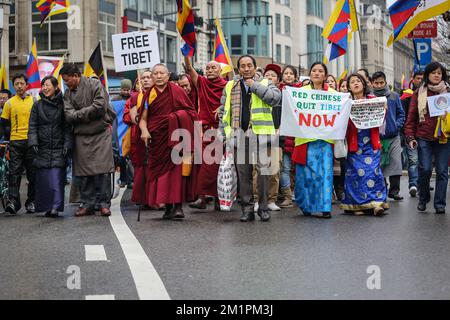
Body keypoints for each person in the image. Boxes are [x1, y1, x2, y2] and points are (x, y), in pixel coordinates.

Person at [219, 55, 281, 222]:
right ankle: (247, 210)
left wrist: (254, 86)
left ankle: (263, 208)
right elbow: (223, 112)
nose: (246, 69)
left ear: (255, 67)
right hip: (239, 135)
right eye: (242, 66)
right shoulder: (230, 85)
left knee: (263, 173)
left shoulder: (266, 83)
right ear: (239, 69)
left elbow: (274, 99)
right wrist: (224, 135)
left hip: (261, 135)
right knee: (244, 175)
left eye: (249, 65)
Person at [139, 63, 199, 220]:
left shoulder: (177, 91)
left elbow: (191, 113)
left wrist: (175, 118)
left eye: (161, 73)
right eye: (155, 73)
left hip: (176, 137)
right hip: (157, 138)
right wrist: (144, 131)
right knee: (160, 174)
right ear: (152, 76)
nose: (158, 76)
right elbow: (143, 119)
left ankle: (178, 206)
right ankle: (167, 206)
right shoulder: (148, 95)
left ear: (168, 76)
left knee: (177, 173)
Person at [61, 63, 116, 217]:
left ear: (76, 76)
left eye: (67, 80)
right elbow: (68, 115)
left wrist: (79, 114)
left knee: (104, 171)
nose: (66, 83)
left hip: (100, 133)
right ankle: (87, 203)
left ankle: (104, 204)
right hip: (81, 135)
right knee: (84, 173)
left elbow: (100, 106)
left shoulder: (95, 84)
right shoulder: (67, 94)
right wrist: (86, 114)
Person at [405, 62, 450, 214]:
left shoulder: (448, 91)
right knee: (425, 169)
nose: (437, 75)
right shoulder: (419, 92)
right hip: (423, 136)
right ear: (428, 75)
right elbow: (411, 117)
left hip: (444, 137)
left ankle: (440, 204)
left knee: (443, 171)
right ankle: (423, 198)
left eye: (439, 73)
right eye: (433, 73)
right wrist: (410, 136)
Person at [340, 73, 388, 216]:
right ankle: (356, 205)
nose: (355, 83)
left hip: (371, 143)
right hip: (354, 143)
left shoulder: (374, 100)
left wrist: (384, 110)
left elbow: (381, 119)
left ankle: (376, 203)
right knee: (355, 174)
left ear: (364, 84)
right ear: (348, 87)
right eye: (352, 82)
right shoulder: (346, 102)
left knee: (373, 172)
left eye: (358, 81)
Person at [183, 57, 228, 211]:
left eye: (213, 68)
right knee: (202, 164)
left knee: (216, 166)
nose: (210, 71)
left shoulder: (227, 86)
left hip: (219, 130)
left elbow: (232, 103)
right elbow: (190, 69)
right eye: (208, 68)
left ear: (221, 71)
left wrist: (222, 109)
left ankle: (218, 198)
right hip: (202, 129)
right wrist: (187, 55)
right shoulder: (202, 82)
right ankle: (202, 197)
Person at [292, 62, 334, 219]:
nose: (317, 73)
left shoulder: (332, 93)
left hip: (325, 140)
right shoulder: (300, 92)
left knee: (325, 174)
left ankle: (325, 207)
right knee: (306, 175)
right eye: (314, 70)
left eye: (320, 71)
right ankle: (307, 205)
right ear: (310, 74)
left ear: (325, 75)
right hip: (305, 139)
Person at [28, 76, 72, 218]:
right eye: (43, 85)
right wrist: (33, 142)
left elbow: (67, 127)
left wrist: (67, 144)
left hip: (58, 146)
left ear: (55, 86)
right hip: (42, 146)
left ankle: (55, 207)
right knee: (44, 180)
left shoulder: (63, 104)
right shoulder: (37, 105)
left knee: (56, 178)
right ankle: (46, 206)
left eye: (48, 85)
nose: (45, 88)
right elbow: (33, 126)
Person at [1, 74, 36, 215]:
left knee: (32, 174)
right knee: (14, 174)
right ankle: (13, 203)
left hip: (31, 141)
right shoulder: (9, 103)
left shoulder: (34, 100)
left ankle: (32, 202)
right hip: (15, 142)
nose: (19, 86)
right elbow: (4, 123)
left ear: (27, 85)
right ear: (13, 86)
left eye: (22, 83)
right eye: (16, 84)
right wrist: (8, 139)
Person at [372, 71, 405, 201]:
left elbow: (401, 114)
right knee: (380, 165)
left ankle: (394, 191)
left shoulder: (394, 96)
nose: (379, 85)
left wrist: (396, 126)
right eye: (376, 83)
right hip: (376, 137)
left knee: (396, 163)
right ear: (372, 83)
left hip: (393, 136)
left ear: (385, 82)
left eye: (381, 82)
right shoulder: (369, 97)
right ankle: (383, 189)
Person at [254, 63, 282, 212]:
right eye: (267, 75)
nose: (269, 77)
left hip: (276, 135)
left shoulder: (279, 94)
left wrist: (280, 129)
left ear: (278, 80)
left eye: (273, 76)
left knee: (274, 168)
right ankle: (257, 199)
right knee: (257, 169)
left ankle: (271, 199)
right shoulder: (257, 90)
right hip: (259, 133)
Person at [278, 65, 302, 209]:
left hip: (298, 136)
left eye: (290, 74)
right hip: (284, 136)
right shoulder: (278, 91)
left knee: (298, 168)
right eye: (285, 73)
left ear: (295, 77)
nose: (288, 76)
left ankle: (298, 194)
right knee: (285, 168)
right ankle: (287, 196)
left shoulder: (302, 92)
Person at [400, 70, 424, 197]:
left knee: (424, 162)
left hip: (425, 133)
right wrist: (406, 132)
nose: (420, 81)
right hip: (411, 133)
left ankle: (422, 183)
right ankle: (413, 184)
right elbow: (403, 116)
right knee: (413, 160)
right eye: (418, 78)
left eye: (422, 78)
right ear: (412, 79)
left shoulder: (429, 94)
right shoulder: (407, 96)